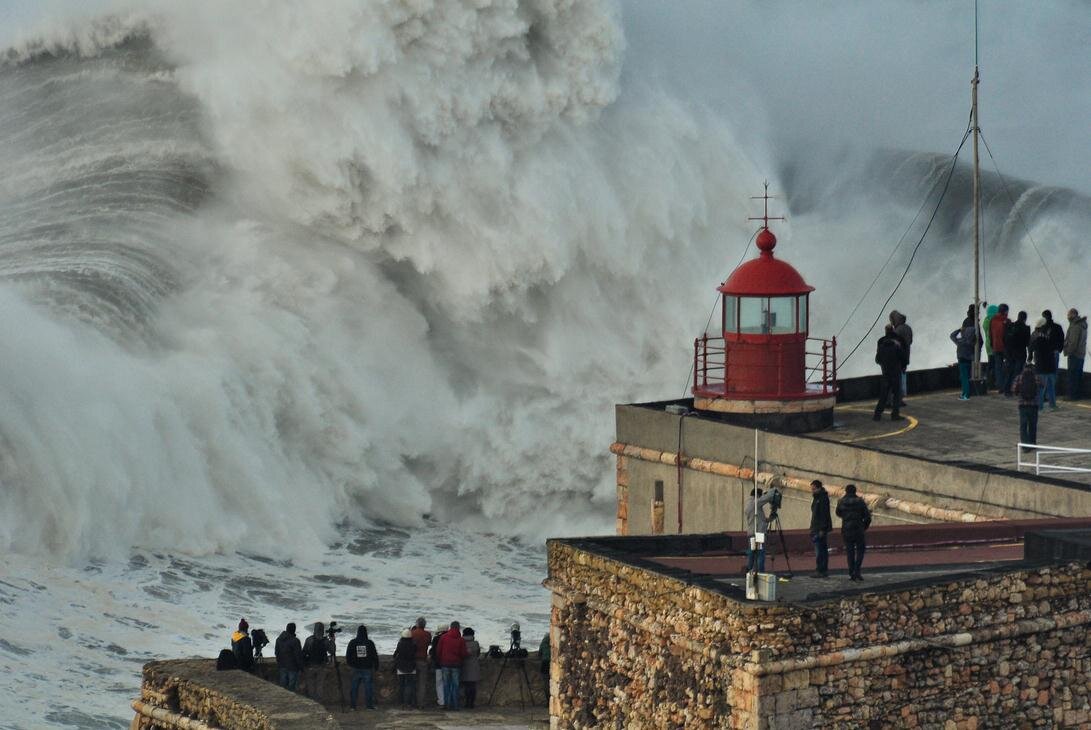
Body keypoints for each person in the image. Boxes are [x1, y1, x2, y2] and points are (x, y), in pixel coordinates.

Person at [836, 484, 871, 581]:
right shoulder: (860, 501)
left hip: (846, 530)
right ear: (855, 491)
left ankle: (851, 572)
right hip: (858, 529)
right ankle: (857, 570)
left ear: (846, 491)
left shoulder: (841, 501)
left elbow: (838, 513)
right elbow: (867, 517)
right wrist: (864, 527)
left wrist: (846, 517)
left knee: (850, 552)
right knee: (860, 551)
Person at [874, 324, 907, 420]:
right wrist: (903, 366)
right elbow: (903, 357)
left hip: (886, 372)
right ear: (893, 330)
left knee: (884, 394)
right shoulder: (899, 341)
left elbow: (877, 359)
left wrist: (883, 365)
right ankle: (895, 414)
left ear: (885, 331)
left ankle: (877, 414)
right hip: (896, 372)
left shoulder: (881, 342)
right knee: (896, 394)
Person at [436, 621, 469, 711]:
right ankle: (455, 705)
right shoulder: (461, 639)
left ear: (450, 627)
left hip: (445, 664)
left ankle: (447, 704)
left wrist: (440, 660)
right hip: (456, 665)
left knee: (446, 684)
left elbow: (439, 651)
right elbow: (463, 653)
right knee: (455, 685)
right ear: (458, 628)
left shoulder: (443, 637)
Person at [743, 487, 776, 572]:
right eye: (760, 496)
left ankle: (750, 569)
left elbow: (759, 520)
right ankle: (759, 571)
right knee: (760, 553)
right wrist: (774, 490)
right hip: (758, 533)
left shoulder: (749, 504)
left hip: (752, 532)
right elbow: (767, 497)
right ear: (757, 495)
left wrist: (769, 519)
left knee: (753, 552)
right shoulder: (755, 503)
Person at [1012, 364, 1043, 451]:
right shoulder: (1036, 377)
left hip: (1022, 405)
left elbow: (1014, 390)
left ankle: (1025, 446)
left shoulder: (1019, 377)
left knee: (1023, 426)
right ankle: (1032, 444)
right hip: (1034, 405)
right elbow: (1042, 385)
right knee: (1033, 425)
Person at [346, 625, 378, 710]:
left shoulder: (352, 642)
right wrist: (376, 666)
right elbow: (374, 655)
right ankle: (369, 706)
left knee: (354, 688)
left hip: (355, 668)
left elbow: (348, 655)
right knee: (368, 688)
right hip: (367, 668)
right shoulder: (369, 643)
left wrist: (350, 664)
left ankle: (353, 706)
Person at [1030, 318, 1058, 411]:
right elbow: (1052, 349)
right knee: (1048, 387)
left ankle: (1040, 406)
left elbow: (1031, 348)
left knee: (1042, 388)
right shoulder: (1045, 338)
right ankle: (1050, 405)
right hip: (1048, 366)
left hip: (1041, 366)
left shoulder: (1035, 337)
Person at [1002, 311, 1031, 396]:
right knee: (1018, 372)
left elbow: (1004, 339)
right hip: (1020, 353)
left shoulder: (1011, 326)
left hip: (1010, 353)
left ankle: (1007, 390)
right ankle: (1015, 389)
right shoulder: (1026, 328)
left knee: (1009, 371)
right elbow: (1027, 343)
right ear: (1025, 318)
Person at [302, 622, 332, 699]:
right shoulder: (325, 641)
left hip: (311, 665)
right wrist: (332, 641)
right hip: (322, 666)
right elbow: (332, 651)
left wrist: (304, 664)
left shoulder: (309, 640)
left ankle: (311, 701)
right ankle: (319, 701)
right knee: (320, 684)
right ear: (323, 630)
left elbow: (304, 652)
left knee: (310, 684)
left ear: (314, 629)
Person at [809, 480, 832, 578]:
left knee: (820, 550)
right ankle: (822, 569)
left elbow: (823, 514)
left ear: (819, 488)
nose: (812, 491)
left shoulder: (822, 498)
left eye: (814, 489)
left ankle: (820, 570)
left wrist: (822, 529)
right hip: (817, 527)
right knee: (822, 549)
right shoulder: (818, 498)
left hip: (819, 528)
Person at [1064, 308, 1087, 400]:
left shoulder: (1075, 326)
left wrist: (1067, 352)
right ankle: (1077, 394)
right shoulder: (1082, 325)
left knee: (1072, 375)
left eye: (1069, 314)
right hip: (1081, 353)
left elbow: (1073, 342)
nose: (1067, 316)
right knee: (1078, 375)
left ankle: (1072, 395)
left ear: (1074, 315)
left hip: (1074, 354)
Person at [951, 320, 977, 400]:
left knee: (964, 378)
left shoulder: (961, 341)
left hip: (962, 361)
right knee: (967, 378)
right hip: (969, 361)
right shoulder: (973, 341)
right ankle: (966, 393)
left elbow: (952, 336)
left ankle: (966, 394)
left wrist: (959, 329)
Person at [890, 311, 913, 404]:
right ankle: (901, 398)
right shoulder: (908, 328)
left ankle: (896, 399)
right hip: (906, 356)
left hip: (897, 358)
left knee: (895, 378)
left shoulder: (897, 330)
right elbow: (910, 341)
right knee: (902, 376)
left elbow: (893, 344)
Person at [275, 623, 305, 691]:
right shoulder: (295, 641)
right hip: (293, 668)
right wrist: (301, 667)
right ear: (294, 630)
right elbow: (298, 656)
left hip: (282, 666)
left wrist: (279, 664)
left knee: (283, 688)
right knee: (291, 688)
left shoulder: (278, 639)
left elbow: (277, 653)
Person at [392, 629, 418, 709]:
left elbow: (395, 655)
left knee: (401, 686)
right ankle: (409, 703)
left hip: (401, 668)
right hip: (411, 668)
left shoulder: (400, 644)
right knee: (410, 686)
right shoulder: (413, 644)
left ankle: (402, 703)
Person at [410, 617, 432, 709]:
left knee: (412, 683)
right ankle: (421, 704)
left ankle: (412, 702)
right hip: (423, 660)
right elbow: (429, 644)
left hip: (413, 660)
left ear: (417, 624)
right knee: (422, 684)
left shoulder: (413, 633)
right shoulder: (428, 634)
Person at [990, 304, 1011, 395]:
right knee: (1008, 367)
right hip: (1005, 347)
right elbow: (1009, 335)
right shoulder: (1006, 321)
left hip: (995, 347)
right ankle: (1007, 386)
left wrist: (992, 344)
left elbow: (990, 334)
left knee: (998, 367)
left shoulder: (993, 320)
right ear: (1005, 311)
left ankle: (1000, 387)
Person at [460, 627, 481, 709]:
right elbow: (478, 654)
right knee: (473, 686)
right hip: (474, 666)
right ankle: (471, 703)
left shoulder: (462, 643)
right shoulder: (476, 643)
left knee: (466, 686)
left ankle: (466, 703)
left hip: (464, 665)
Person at [429, 623, 448, 708]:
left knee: (439, 683)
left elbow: (433, 651)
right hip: (450, 664)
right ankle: (449, 700)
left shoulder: (436, 638)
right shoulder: (450, 638)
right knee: (448, 683)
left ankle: (441, 701)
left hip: (439, 664)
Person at [982, 304, 998, 390]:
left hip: (988, 345)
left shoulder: (986, 321)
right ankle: (992, 383)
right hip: (994, 345)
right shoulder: (993, 321)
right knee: (995, 364)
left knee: (991, 364)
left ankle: (989, 382)